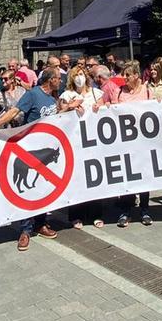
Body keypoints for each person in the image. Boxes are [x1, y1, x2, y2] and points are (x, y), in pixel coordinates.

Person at [0, 66, 60, 250]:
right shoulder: (33, 94)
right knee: (28, 191)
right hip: (31, 148)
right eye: (58, 78)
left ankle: (41, 223)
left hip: (45, 150)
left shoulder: (52, 96)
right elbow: (14, 111)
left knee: (43, 187)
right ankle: (25, 230)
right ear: (50, 80)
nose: (60, 80)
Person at [104, 62, 157, 227]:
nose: (124, 78)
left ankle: (145, 210)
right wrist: (105, 106)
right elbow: (107, 107)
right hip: (125, 142)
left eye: (128, 75)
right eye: (124, 75)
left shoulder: (147, 91)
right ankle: (125, 211)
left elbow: (157, 110)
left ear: (136, 76)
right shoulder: (119, 92)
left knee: (144, 176)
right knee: (127, 175)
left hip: (142, 141)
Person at [61, 65, 107, 228]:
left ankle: (96, 214)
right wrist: (69, 107)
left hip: (94, 141)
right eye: (75, 75)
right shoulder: (67, 95)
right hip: (75, 142)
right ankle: (76, 215)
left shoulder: (96, 93)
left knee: (95, 176)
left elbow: (108, 110)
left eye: (81, 74)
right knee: (77, 178)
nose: (79, 77)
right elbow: (59, 115)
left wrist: (100, 108)